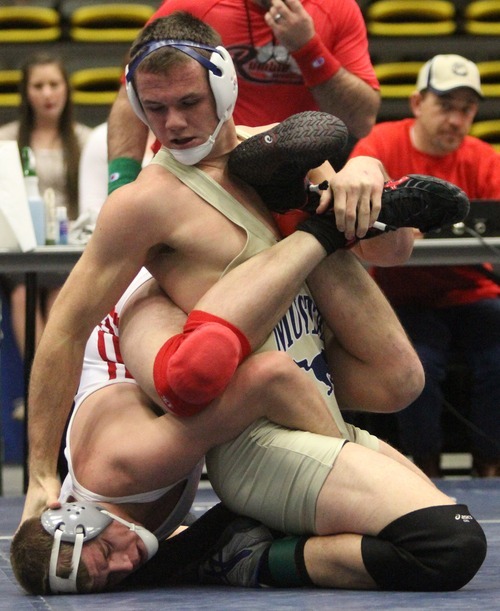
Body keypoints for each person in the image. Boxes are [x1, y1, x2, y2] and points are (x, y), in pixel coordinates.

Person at [19, 13, 483, 594]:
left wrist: (367, 174)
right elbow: (66, 327)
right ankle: (240, 557)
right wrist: (40, 473)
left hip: (315, 377)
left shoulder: (289, 147)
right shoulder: (146, 203)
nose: (175, 124)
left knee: (402, 381)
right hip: (257, 429)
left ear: (225, 87)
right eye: (155, 109)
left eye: (189, 101)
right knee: (447, 542)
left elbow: (392, 254)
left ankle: (322, 223)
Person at [350, 53, 500, 478]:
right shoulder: (379, 146)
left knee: (497, 361)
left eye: (466, 109)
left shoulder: (484, 159)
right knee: (419, 368)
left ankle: (491, 466)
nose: (456, 119)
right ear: (417, 103)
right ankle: (426, 468)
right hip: (403, 296)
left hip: (474, 294)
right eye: (445, 106)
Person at [106, 0, 380, 196]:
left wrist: (308, 49)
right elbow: (132, 96)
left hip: (293, 181)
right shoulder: (194, 6)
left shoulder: (336, 9)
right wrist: (120, 188)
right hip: (195, 176)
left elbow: (361, 120)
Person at [0, 52, 91, 354]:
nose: (47, 93)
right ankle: (36, 390)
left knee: (59, 297)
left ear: (66, 88)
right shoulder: (6, 139)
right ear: (26, 93)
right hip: (20, 249)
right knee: (22, 295)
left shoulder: (86, 140)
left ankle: (60, 393)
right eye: (38, 86)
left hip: (69, 248)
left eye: (54, 84)